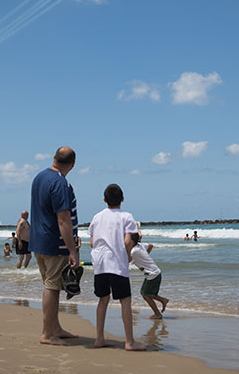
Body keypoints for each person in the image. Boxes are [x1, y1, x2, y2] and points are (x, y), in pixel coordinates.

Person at [29, 146, 79, 346]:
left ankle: (55, 328)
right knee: (52, 287)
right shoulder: (60, 183)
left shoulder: (39, 177)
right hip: (54, 243)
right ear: (73, 164)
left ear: (54, 158)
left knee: (51, 285)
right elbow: (63, 220)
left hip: (39, 241)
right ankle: (47, 333)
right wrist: (72, 250)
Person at [89, 183, 146, 350]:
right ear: (122, 198)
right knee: (125, 301)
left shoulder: (97, 217)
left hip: (99, 263)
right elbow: (128, 240)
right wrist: (128, 254)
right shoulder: (126, 216)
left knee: (103, 299)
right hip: (116, 262)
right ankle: (129, 341)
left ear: (104, 200)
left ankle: (99, 338)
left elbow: (92, 242)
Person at [130, 231, 169, 319]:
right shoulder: (139, 246)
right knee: (144, 293)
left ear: (132, 241)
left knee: (146, 295)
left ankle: (158, 314)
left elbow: (126, 261)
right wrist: (144, 256)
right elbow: (150, 245)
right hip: (152, 273)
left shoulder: (133, 251)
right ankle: (163, 300)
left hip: (153, 274)